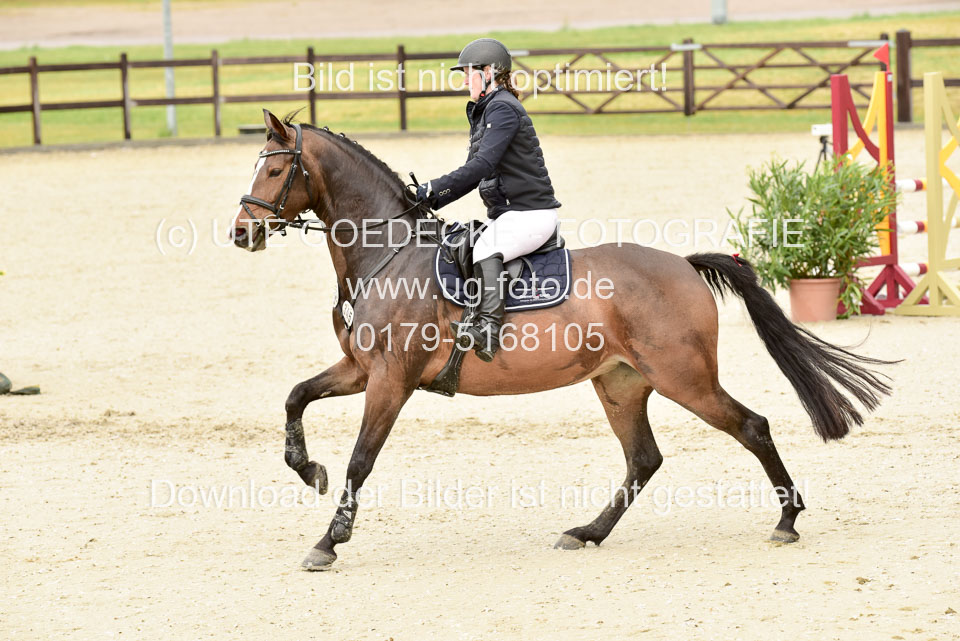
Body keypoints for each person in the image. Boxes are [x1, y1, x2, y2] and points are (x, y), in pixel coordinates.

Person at [417, 38, 562, 362]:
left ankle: (488, 329)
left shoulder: (502, 108)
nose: (463, 81)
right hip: (511, 215)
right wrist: (431, 199)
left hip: (531, 214)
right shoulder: (486, 111)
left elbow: (482, 165)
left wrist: (433, 188)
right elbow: (474, 173)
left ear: (488, 73)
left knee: (485, 248)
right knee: (466, 244)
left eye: (467, 74)